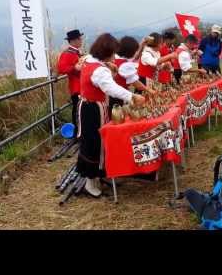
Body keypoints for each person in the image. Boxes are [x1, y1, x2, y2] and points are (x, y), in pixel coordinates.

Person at [77, 33, 145, 197]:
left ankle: (98, 175)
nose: (114, 56)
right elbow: (110, 89)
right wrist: (132, 96)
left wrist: (109, 66)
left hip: (91, 106)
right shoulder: (99, 70)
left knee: (98, 142)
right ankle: (89, 181)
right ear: (106, 52)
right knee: (93, 143)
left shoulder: (90, 61)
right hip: (92, 109)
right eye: (112, 53)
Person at [110, 36, 155, 113]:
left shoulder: (115, 58)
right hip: (119, 96)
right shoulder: (124, 64)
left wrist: (142, 45)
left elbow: (135, 57)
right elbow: (136, 83)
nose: (135, 52)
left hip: (112, 94)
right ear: (129, 51)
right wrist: (149, 90)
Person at [57, 29, 84, 135]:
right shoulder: (67, 54)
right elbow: (61, 68)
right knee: (77, 111)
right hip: (76, 87)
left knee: (80, 111)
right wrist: (75, 68)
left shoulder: (76, 53)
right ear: (73, 41)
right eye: (79, 39)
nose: (81, 40)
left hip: (80, 86)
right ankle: (77, 132)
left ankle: (79, 132)